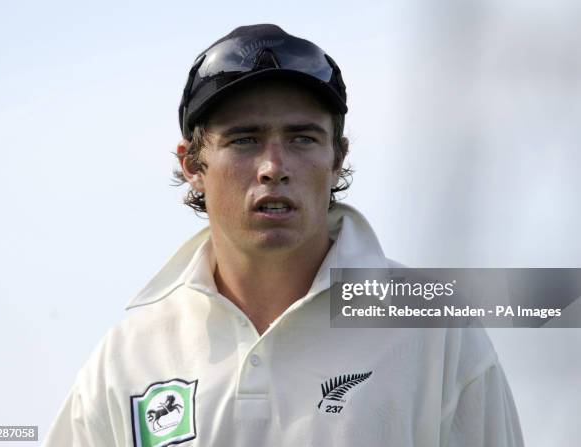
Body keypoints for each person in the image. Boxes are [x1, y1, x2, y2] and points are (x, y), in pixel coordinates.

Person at [44, 24, 524, 446]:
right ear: (192, 164)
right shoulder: (129, 355)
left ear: (337, 158)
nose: (274, 167)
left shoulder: (436, 332)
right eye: (244, 139)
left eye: (302, 138)